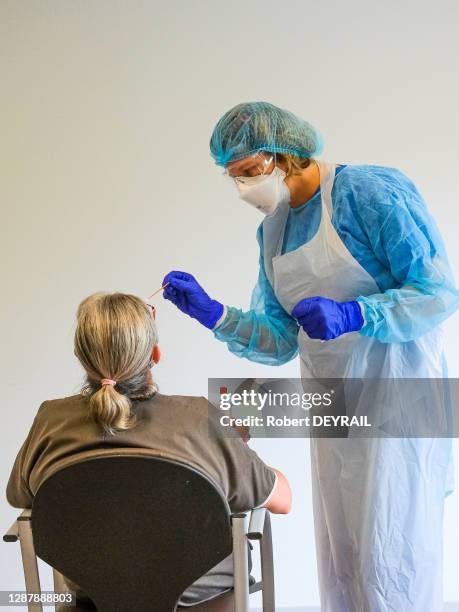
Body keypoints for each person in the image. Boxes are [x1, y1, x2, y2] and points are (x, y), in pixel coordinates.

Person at [162, 101, 459, 611]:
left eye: (249, 171)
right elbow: (279, 338)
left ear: (282, 154)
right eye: (233, 178)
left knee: (391, 562)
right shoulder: (274, 230)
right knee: (342, 566)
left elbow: (438, 292)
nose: (244, 187)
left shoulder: (369, 193)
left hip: (396, 407)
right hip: (333, 412)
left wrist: (357, 314)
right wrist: (214, 315)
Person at [6, 291, 292, 608]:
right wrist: (235, 450)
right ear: (155, 354)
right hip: (202, 602)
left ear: (82, 358)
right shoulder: (202, 418)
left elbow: (20, 497)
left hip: (92, 599)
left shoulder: (51, 420)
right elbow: (282, 500)